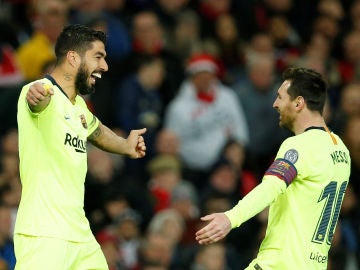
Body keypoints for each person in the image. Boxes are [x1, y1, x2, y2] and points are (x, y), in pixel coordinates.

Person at [14, 24, 147, 270]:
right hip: (45, 233)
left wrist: (126, 146)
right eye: (98, 57)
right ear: (73, 57)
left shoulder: (79, 107)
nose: (105, 66)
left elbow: (98, 132)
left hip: (81, 236)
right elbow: (37, 102)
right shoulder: (41, 92)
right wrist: (36, 97)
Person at [195, 67, 351, 270]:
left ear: (298, 103)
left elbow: (271, 187)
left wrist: (230, 218)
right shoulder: (341, 150)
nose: (275, 104)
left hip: (280, 263)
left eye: (280, 97)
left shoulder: (299, 146)